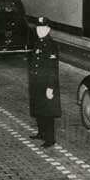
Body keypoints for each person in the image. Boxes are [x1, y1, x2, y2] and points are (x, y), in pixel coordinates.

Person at [28, 17, 61, 148]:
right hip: (37, 82)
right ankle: (41, 133)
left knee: (48, 111)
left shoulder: (51, 46)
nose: (39, 30)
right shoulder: (38, 42)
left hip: (46, 84)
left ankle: (50, 139)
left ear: (48, 29)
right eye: (38, 28)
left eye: (43, 28)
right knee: (39, 109)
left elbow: (53, 69)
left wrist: (50, 87)